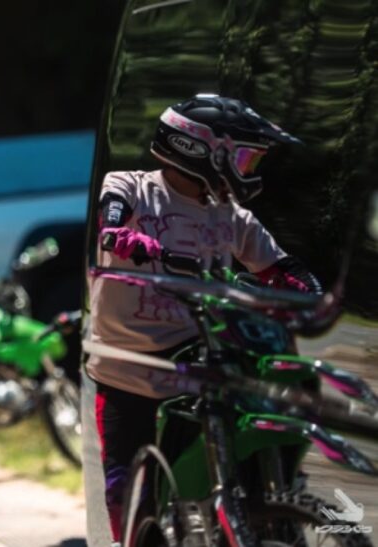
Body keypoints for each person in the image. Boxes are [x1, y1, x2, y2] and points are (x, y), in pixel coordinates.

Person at [85, 94, 322, 544]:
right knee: (127, 495)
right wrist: (122, 236)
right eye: (245, 158)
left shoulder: (231, 216)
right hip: (126, 370)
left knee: (251, 438)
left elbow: (279, 267)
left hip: (196, 359)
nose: (249, 170)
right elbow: (110, 219)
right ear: (201, 150)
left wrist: (311, 293)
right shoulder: (131, 186)